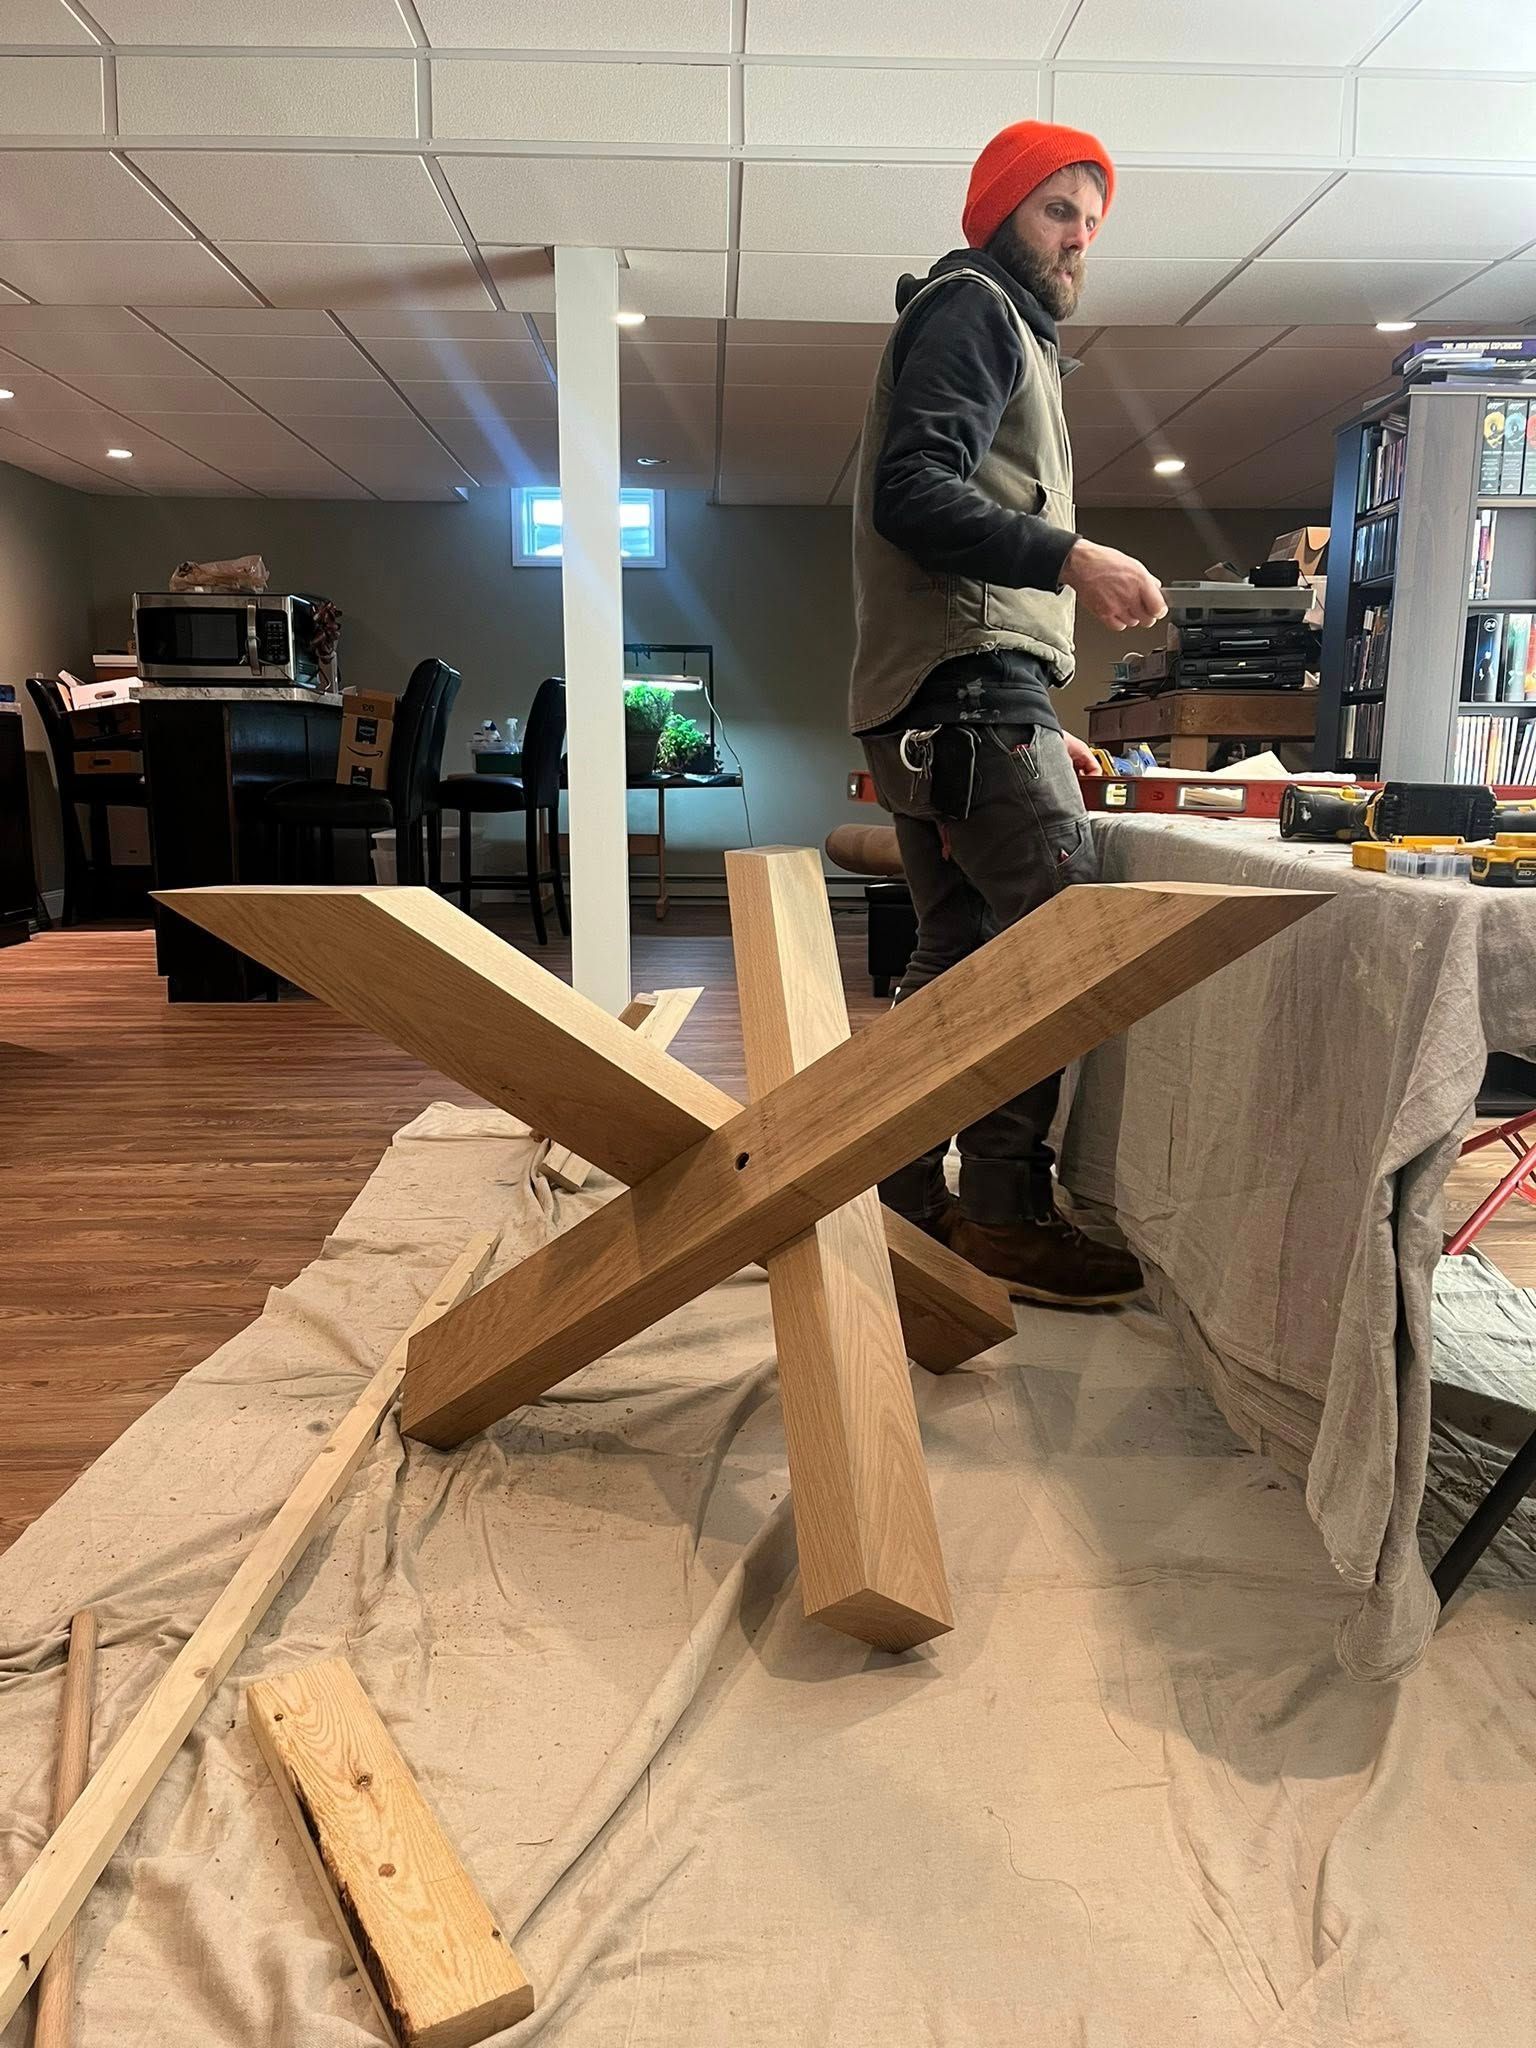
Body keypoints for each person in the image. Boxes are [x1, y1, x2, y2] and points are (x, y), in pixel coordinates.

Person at [848, 118, 1166, 1308]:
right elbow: (914, 494)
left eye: (1091, 220)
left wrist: (1035, 701)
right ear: (999, 213)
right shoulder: (977, 307)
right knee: (1058, 936)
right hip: (966, 694)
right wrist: (1072, 557)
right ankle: (1002, 1212)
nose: (1078, 238)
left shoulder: (991, 322)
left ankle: (898, 1180)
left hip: (956, 696)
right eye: (1056, 211)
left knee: (961, 946)